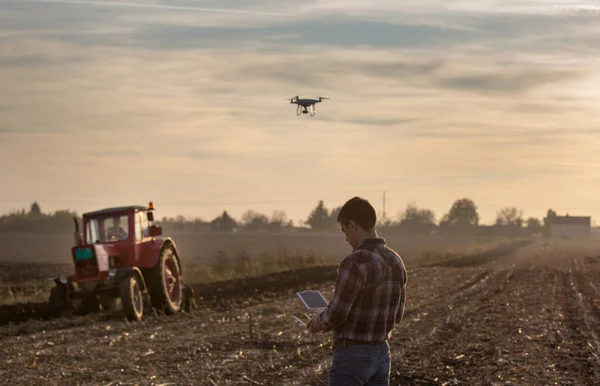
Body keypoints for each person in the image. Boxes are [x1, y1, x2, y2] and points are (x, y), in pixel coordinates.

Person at [306, 196, 407, 386]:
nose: (345, 237)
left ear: (352, 225)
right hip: (382, 354)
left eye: (345, 230)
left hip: (352, 357)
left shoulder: (354, 262)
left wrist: (318, 321)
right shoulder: (395, 260)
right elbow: (398, 315)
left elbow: (336, 315)